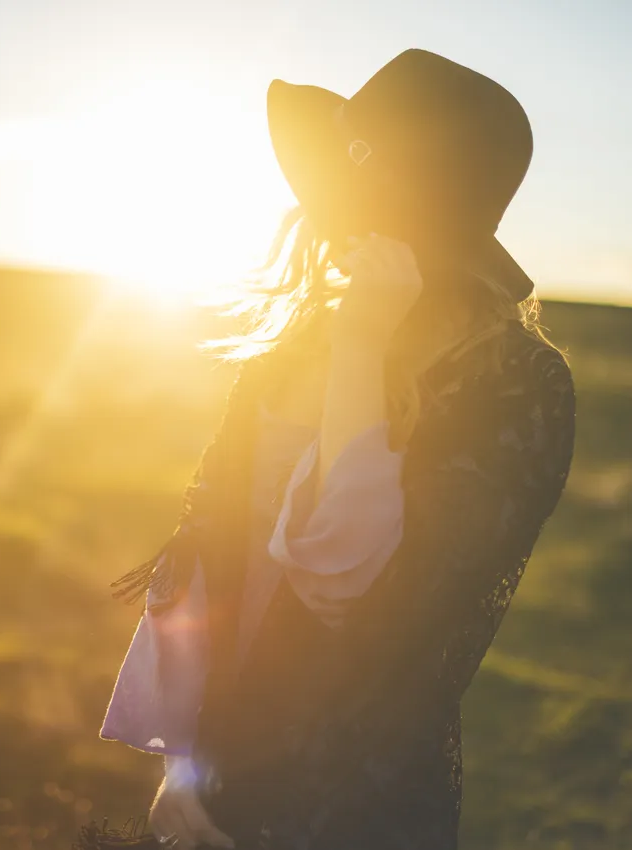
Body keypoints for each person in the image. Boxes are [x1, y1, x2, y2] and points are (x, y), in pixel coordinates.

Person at [97, 49, 576, 850]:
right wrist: (180, 763)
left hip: (350, 799)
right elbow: (212, 565)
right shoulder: (298, 342)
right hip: (206, 773)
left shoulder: (517, 383)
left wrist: (362, 346)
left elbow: (342, 586)